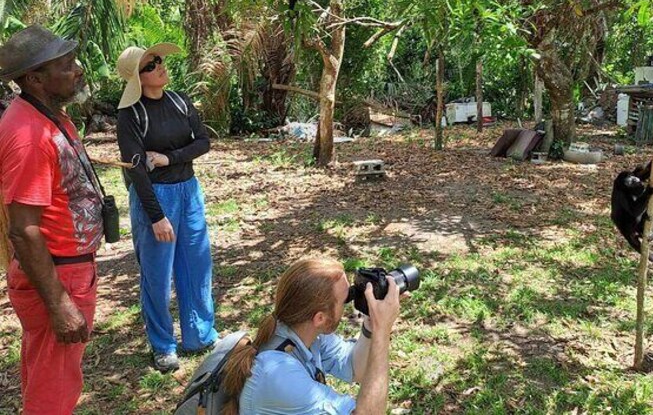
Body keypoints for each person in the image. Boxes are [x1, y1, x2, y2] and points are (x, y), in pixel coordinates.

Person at [0, 25, 103, 414]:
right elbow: (24, 230)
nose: (77, 70)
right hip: (57, 275)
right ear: (35, 78)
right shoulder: (28, 133)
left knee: (48, 378)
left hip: (66, 269)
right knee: (54, 393)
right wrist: (59, 304)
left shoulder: (49, 118)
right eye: (67, 65)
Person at [115, 43, 218, 372]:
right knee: (157, 277)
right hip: (155, 196)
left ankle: (199, 335)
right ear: (137, 79)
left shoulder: (180, 101)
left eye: (159, 61)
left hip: (189, 191)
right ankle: (162, 346)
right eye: (150, 66)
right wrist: (156, 216)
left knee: (197, 265)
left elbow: (203, 142)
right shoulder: (130, 114)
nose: (160, 66)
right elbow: (136, 170)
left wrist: (169, 157)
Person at [221, 257, 402, 415]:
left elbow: (355, 369)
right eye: (346, 299)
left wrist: (371, 324)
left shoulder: (305, 332)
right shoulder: (278, 373)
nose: (351, 302)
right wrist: (382, 330)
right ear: (320, 318)